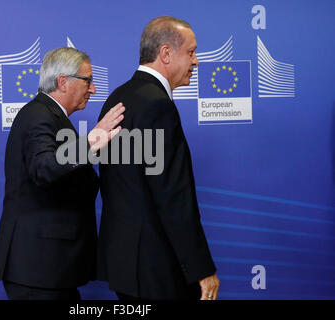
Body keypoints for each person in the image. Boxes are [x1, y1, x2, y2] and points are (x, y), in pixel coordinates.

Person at [97, 16, 219, 300]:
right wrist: (201, 268)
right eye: (191, 52)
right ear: (166, 53)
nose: (197, 61)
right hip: (158, 268)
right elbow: (173, 197)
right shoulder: (157, 105)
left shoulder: (118, 96)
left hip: (125, 264)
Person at [0, 47, 125, 300]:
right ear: (63, 82)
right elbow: (44, 168)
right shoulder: (38, 116)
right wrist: (91, 141)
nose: (93, 89)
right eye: (88, 81)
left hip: (50, 269)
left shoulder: (51, 116)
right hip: (39, 269)